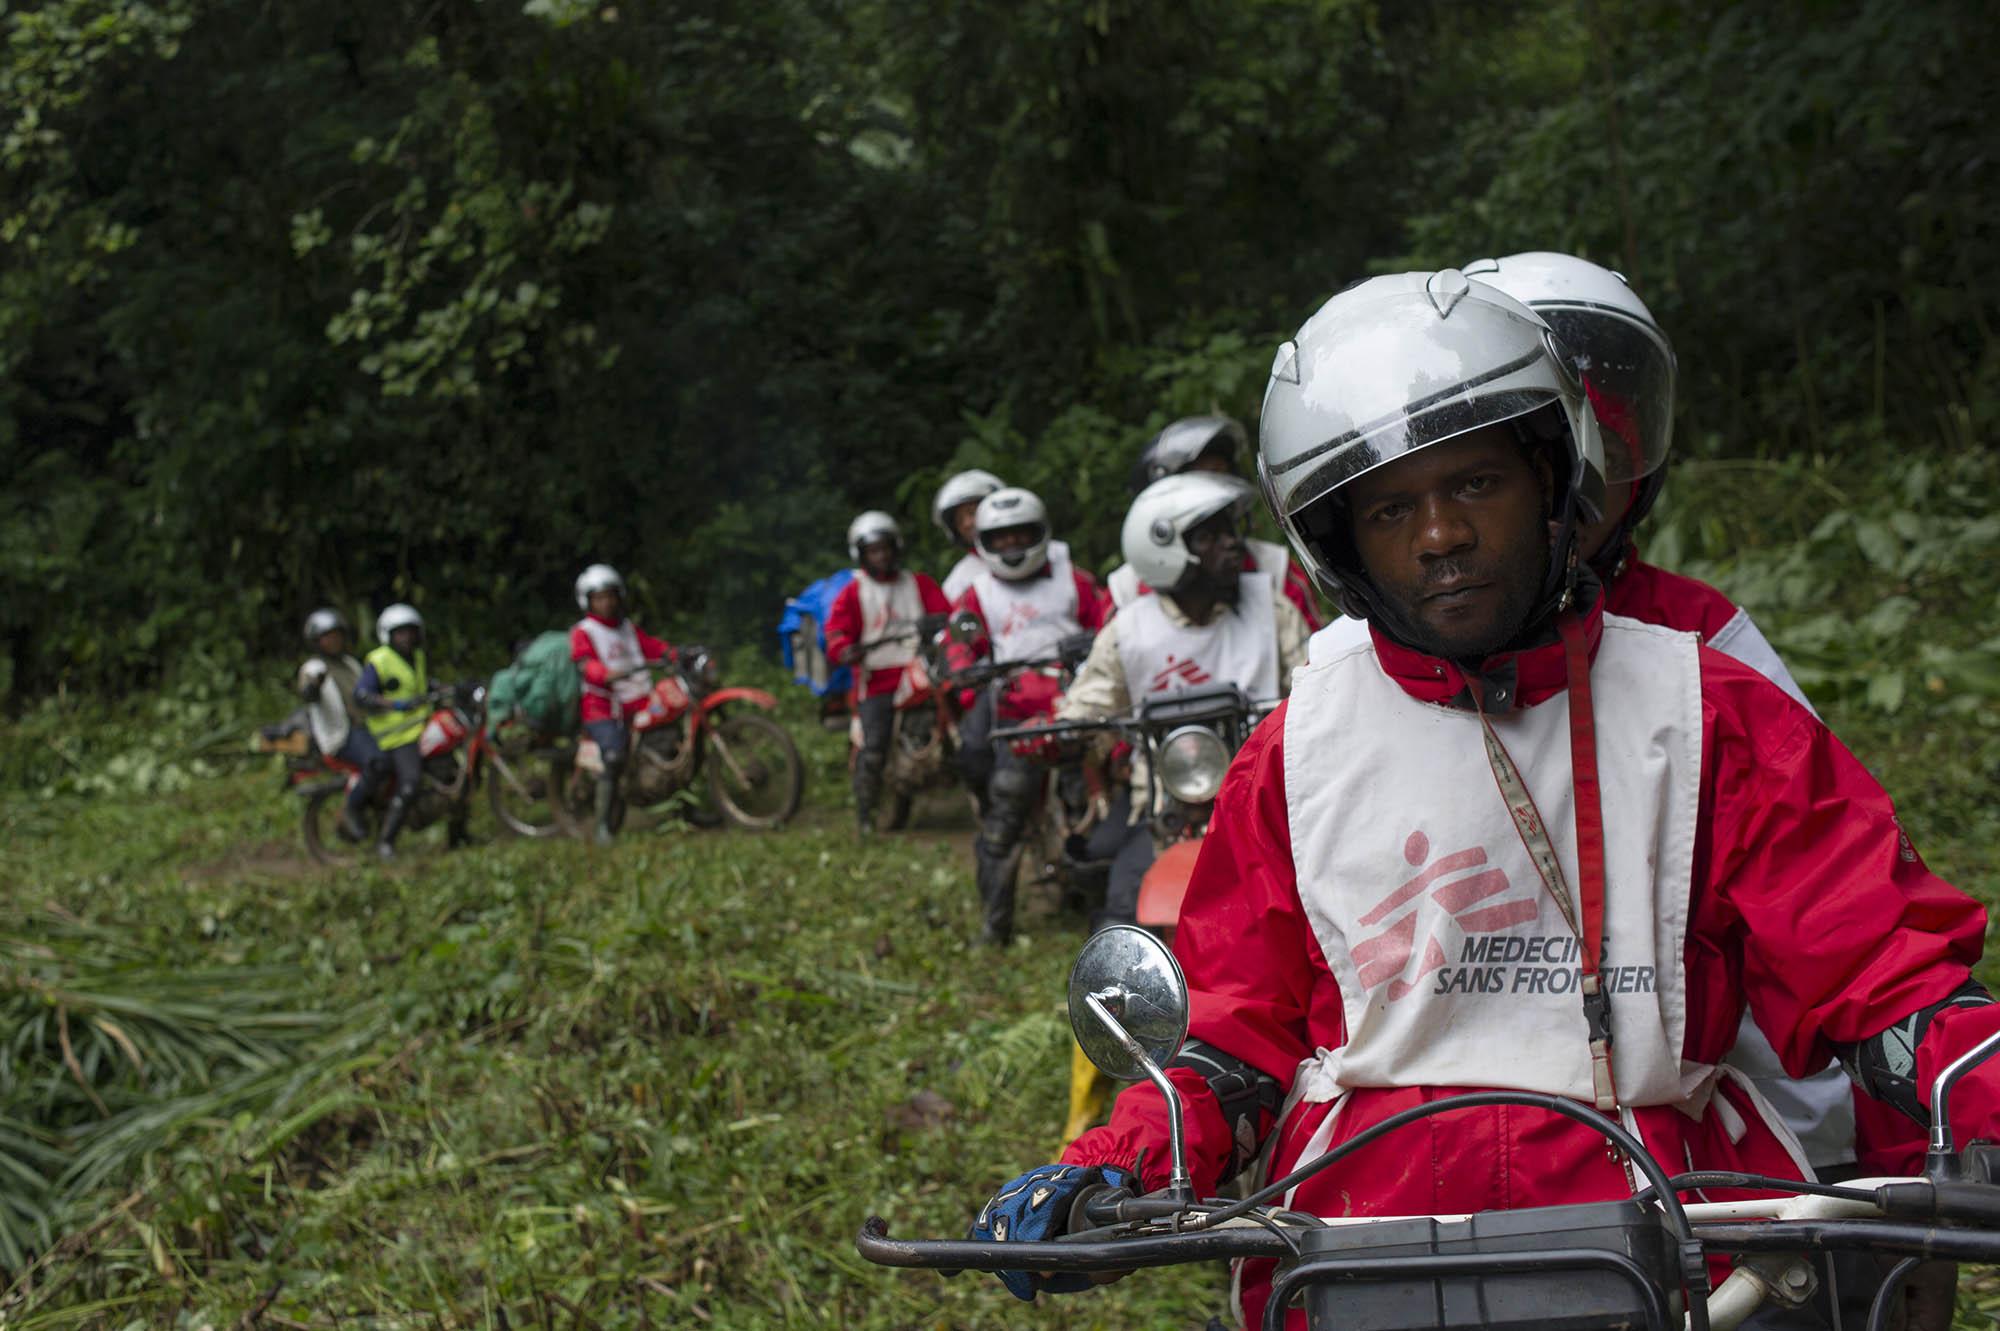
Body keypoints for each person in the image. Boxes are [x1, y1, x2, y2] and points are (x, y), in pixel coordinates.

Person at [968, 272, 2000, 1330]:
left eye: (1473, 485)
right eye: (1388, 507)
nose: (1437, 536)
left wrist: (1977, 1082)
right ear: (1339, 542)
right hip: (1357, 1247)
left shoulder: (1709, 711)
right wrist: (1114, 1158)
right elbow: (1237, 1036)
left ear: (1555, 481)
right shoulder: (1295, 748)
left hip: (1678, 1236)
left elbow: (1881, 977)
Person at [1021, 472, 1308, 931]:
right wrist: (1065, 732)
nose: (1233, 545)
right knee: (1121, 917)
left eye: (1230, 531)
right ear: (1164, 550)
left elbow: (1313, 681)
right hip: (1164, 810)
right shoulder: (1129, 630)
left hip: (1272, 802)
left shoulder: (1271, 609)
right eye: (1210, 537)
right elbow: (1090, 701)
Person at [946, 487, 1112, 943]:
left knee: (1095, 813)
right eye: (1000, 538)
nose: (1011, 546)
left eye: (1021, 535)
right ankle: (994, 927)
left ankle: (1100, 917)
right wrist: (966, 666)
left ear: (1040, 533)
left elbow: (1112, 620)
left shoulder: (1074, 579)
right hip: (1017, 721)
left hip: (1075, 712)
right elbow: (957, 643)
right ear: (984, 542)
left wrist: (1095, 640)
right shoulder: (976, 593)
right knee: (1003, 824)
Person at [1108, 415, 1327, 630]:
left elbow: (1312, 656)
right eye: (1203, 481)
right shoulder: (1127, 589)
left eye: (1223, 475)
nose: (1220, 490)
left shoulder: (1271, 566)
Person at [823, 511, 950, 836]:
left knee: (959, 715)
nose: (881, 556)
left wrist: (942, 629)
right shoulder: (854, 591)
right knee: (875, 745)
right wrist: (844, 649)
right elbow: (836, 631)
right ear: (862, 555)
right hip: (876, 679)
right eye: (873, 551)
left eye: (885, 549)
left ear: (896, 548)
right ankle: (866, 815)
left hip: (920, 672)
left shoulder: (919, 583)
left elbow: (946, 615)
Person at [569, 564, 675, 846]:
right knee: (614, 757)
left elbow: (651, 646)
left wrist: (674, 653)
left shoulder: (627, 628)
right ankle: (603, 826)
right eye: (599, 597)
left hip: (638, 700)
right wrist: (602, 673)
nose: (607, 603)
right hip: (602, 708)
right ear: (588, 601)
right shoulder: (584, 631)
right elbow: (583, 662)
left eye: (610, 596)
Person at [352, 602, 439, 860]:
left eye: (411, 632)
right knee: (410, 784)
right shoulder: (378, 660)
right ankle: (386, 842)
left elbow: (420, 685)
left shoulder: (418, 657)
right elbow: (362, 695)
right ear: (388, 634)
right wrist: (395, 704)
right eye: (400, 633)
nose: (407, 638)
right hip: (396, 735)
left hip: (420, 726)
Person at [294, 607, 379, 843]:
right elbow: (307, 693)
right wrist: (314, 686)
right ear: (316, 641)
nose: (334, 641)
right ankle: (351, 809)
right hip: (340, 735)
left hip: (364, 727)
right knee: (376, 760)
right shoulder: (314, 668)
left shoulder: (350, 664)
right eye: (327, 637)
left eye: (337, 635)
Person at [932, 469, 1007, 602]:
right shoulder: (958, 582)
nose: (967, 523)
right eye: (959, 520)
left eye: (972, 512)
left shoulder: (1051, 555)